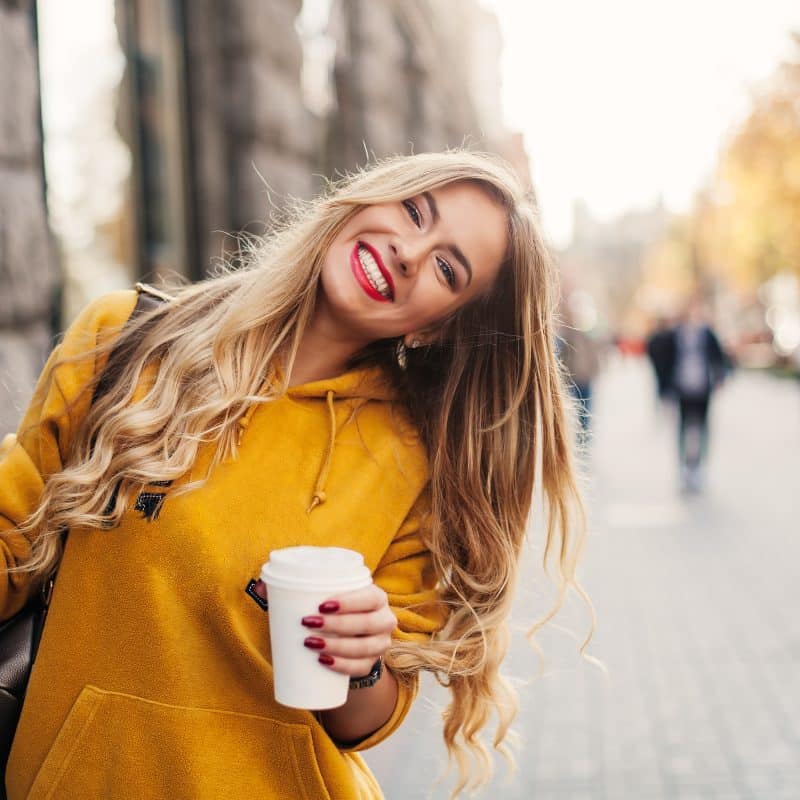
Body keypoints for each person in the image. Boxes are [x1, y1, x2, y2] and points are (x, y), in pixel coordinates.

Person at [0, 151, 588, 799]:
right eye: (414, 211)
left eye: (447, 269)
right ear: (368, 196)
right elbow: (12, 538)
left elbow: (365, 722)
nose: (409, 253)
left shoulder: (416, 461)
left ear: (440, 326)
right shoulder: (126, 342)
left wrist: (361, 664)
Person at [648, 298, 730, 492]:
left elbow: (720, 357)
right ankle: (684, 467)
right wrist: (665, 389)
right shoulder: (674, 335)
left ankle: (699, 466)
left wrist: (720, 377)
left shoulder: (708, 334)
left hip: (703, 387)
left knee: (702, 428)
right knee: (684, 428)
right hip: (682, 388)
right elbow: (662, 359)